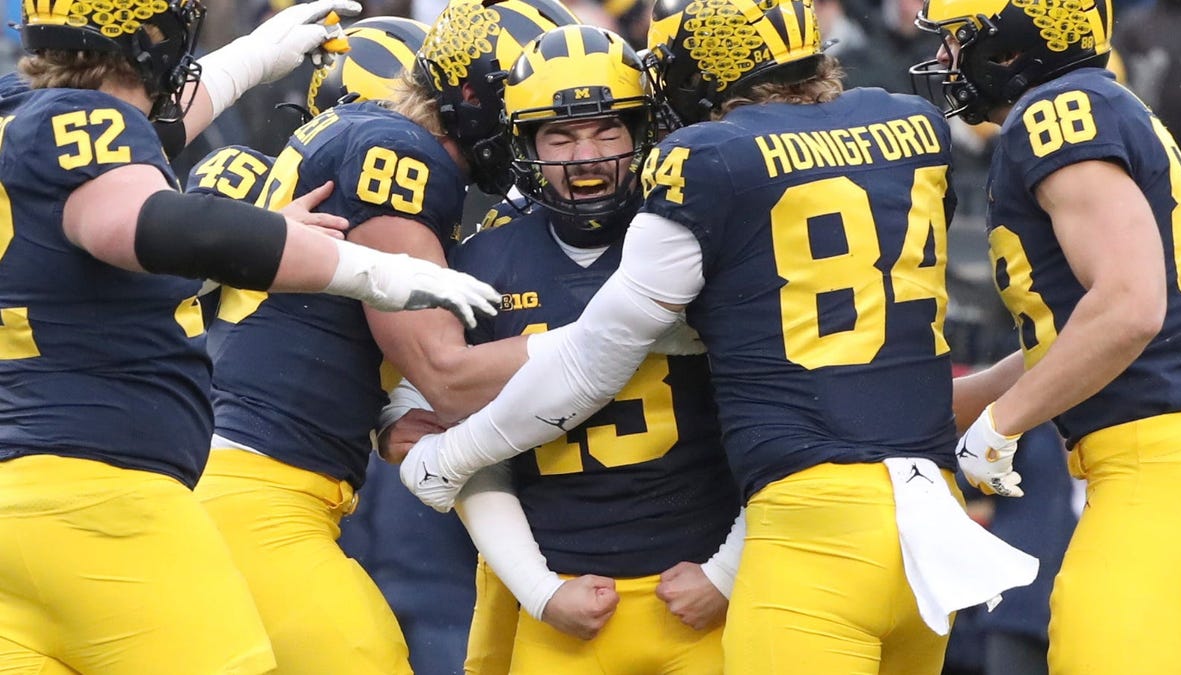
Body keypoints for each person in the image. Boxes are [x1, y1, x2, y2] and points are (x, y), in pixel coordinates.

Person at [397, 0, 1040, 673]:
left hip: (805, 525)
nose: (585, 156)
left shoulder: (707, 163)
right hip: (926, 516)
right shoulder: (910, 124)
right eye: (559, 137)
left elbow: (592, 358)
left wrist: (449, 456)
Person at [0, 1, 500, 674]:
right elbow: (147, 225)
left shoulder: (21, 124)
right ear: (156, 35)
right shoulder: (83, 129)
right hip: (97, 492)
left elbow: (141, 153)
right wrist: (370, 270)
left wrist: (256, 57)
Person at [189, 4, 573, 674]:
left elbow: (326, 329)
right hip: (259, 490)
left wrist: (382, 411)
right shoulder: (399, 153)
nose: (533, 137)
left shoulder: (358, 130)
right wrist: (623, 333)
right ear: (478, 97)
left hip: (245, 474)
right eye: (529, 112)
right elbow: (447, 373)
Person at [387, 24, 743, 674]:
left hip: (699, 594)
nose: (587, 155)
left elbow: (775, 420)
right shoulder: (485, 262)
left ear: (642, 133)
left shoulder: (695, 241)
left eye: (608, 129)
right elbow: (433, 428)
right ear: (524, 142)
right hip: (567, 605)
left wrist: (728, 569)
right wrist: (539, 588)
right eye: (561, 134)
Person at [910, 1, 1181, 673]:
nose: (949, 60)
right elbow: (1078, 335)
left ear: (1013, 44)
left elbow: (1128, 307)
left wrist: (1002, 425)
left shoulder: (1055, 113)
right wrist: (960, 406)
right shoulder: (1099, 101)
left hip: (1159, 468)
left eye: (961, 40)